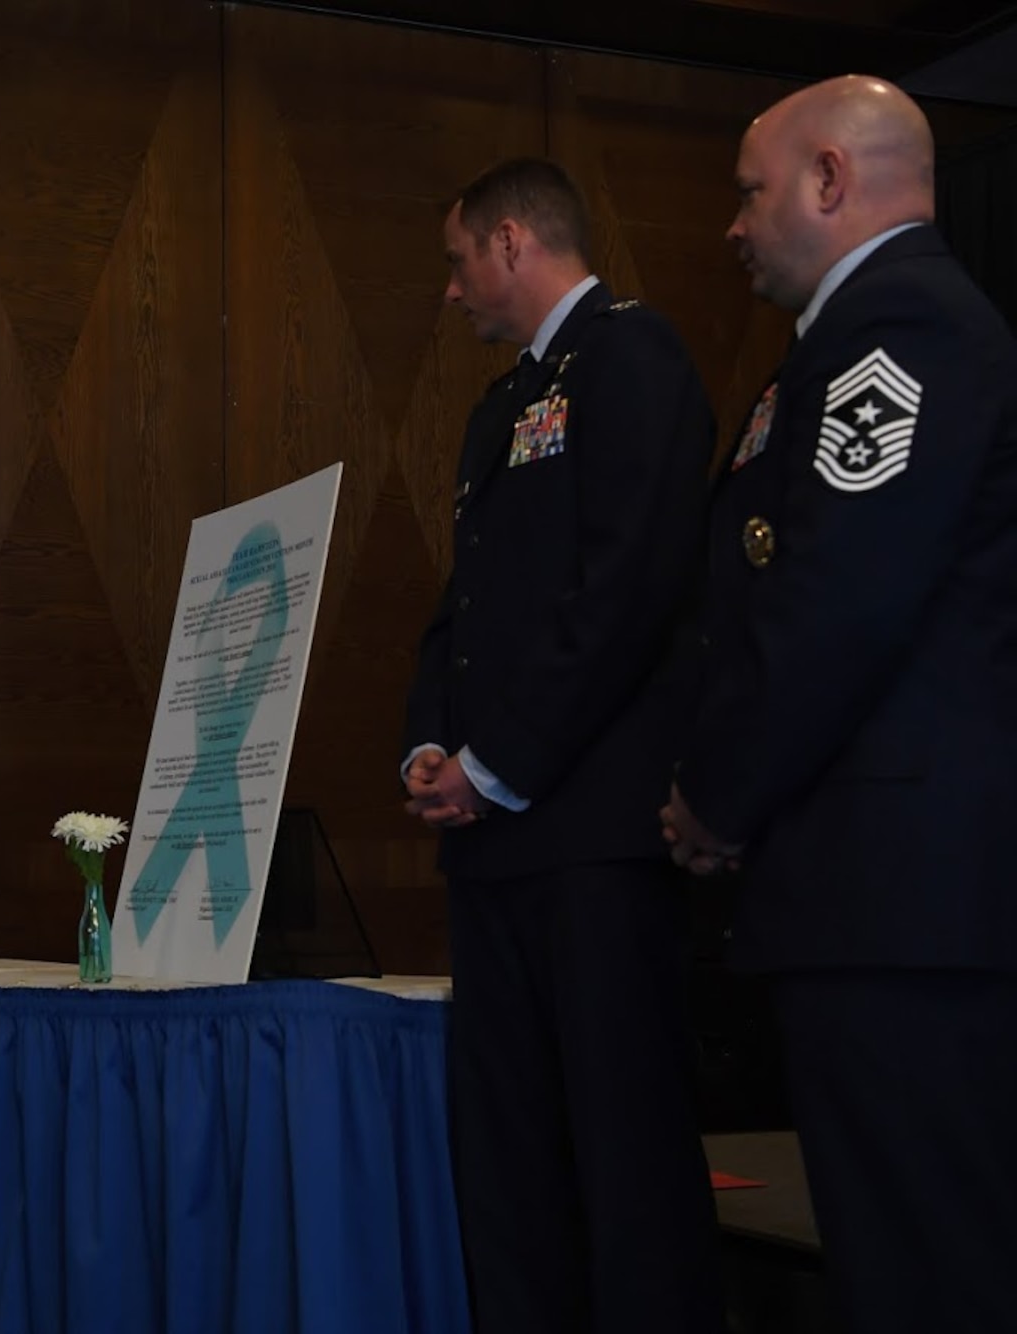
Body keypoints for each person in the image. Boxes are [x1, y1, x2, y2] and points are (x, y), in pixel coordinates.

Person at [663, 75, 1017, 1333]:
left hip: (901, 900)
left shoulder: (901, 328)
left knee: (927, 1264)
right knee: (889, 1252)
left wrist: (714, 792)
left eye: (749, 190)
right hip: (871, 895)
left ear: (827, 178)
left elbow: (834, 603)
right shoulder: (843, 338)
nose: (733, 222)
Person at [402, 159, 724, 1334]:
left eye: (454, 260)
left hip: (590, 837)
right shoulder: (500, 407)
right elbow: (467, 608)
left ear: (507, 241)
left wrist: (497, 766)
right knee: (510, 1165)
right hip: (491, 848)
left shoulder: (630, 356)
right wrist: (428, 746)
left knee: (622, 1161)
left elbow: (627, 585)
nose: (450, 291)